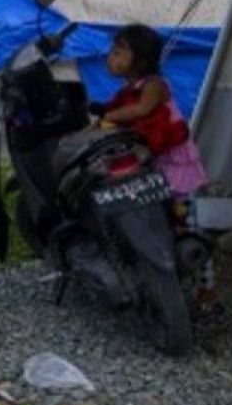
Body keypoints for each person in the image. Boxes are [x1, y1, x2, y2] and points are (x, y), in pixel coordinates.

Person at [94, 24, 219, 312]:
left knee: (189, 229)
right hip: (154, 164)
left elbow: (140, 111)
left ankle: (208, 291)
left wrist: (106, 116)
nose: (111, 58)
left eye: (118, 53)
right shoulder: (128, 90)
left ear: (140, 60)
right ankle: (170, 284)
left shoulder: (154, 86)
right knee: (161, 223)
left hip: (176, 166)